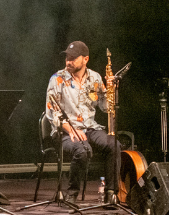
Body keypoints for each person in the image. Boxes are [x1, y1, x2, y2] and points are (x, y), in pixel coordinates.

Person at [44, 41, 121, 202]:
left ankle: (111, 193)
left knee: (113, 145)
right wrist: (71, 129)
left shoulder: (95, 78)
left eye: (73, 58)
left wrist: (112, 89)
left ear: (85, 59)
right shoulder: (57, 79)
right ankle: (71, 194)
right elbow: (51, 112)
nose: (68, 61)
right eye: (67, 58)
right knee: (82, 150)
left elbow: (106, 108)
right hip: (64, 131)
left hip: (90, 128)